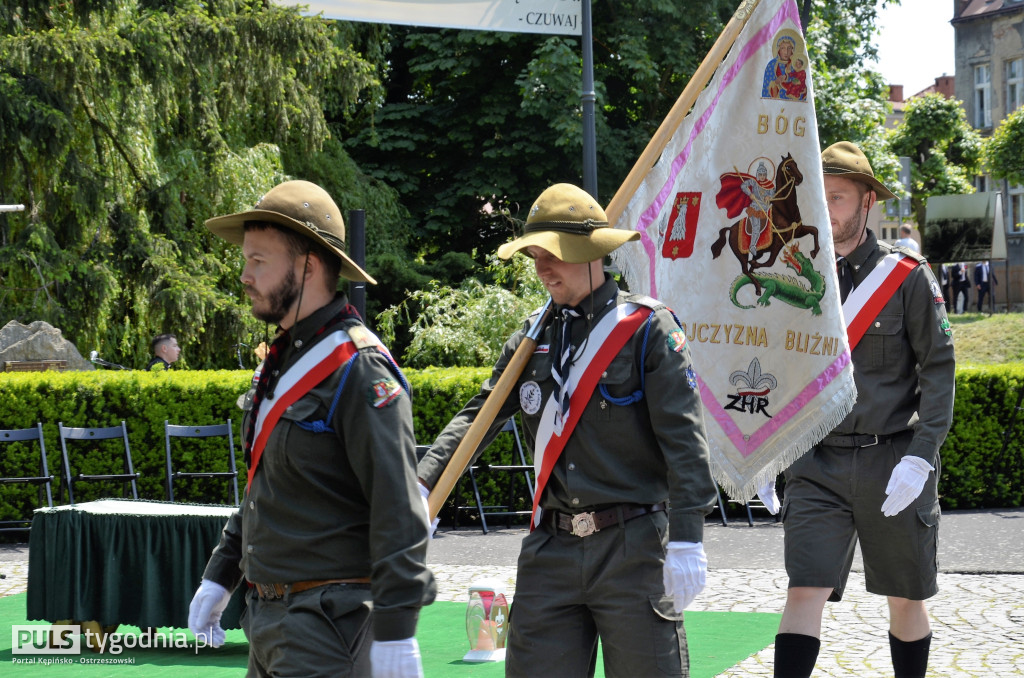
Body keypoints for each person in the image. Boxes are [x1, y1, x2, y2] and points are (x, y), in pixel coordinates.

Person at [417, 183, 718, 678]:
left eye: (552, 254)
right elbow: (482, 415)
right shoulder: (531, 337)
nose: (541, 268)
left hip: (633, 544)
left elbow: (685, 443)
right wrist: (426, 483)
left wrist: (688, 538)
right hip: (550, 548)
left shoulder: (647, 329)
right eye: (534, 255)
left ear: (589, 252)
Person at [187, 180, 436, 677]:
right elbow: (267, 486)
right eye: (246, 260)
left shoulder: (358, 368)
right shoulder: (282, 360)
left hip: (328, 624)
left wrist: (397, 625)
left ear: (309, 264)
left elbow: (399, 507)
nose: (244, 274)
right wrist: (222, 573)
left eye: (259, 260)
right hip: (268, 617)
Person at [767, 142, 955, 678]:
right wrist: (763, 445)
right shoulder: (797, 274)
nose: (828, 210)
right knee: (803, 589)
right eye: (819, 199)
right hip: (816, 463)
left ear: (868, 202)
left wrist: (922, 456)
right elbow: (777, 368)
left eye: (839, 197)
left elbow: (938, 372)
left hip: (892, 460)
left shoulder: (908, 277)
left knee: (905, 598)